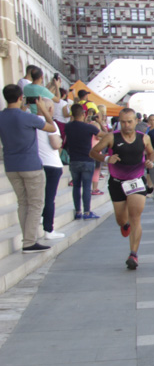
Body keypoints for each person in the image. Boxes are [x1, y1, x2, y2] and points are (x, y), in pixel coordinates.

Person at [90, 108, 154, 270]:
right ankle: (123, 224)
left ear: (136, 121)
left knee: (135, 217)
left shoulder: (144, 138)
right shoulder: (112, 137)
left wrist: (150, 161)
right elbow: (93, 152)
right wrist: (106, 158)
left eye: (130, 121)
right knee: (121, 219)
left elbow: (151, 153)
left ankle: (133, 254)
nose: (126, 125)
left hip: (136, 181)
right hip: (117, 182)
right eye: (123, 122)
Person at [0, 85, 57, 253]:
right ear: (20, 98)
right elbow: (51, 127)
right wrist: (42, 109)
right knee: (35, 203)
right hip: (30, 164)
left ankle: (27, 239)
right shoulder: (27, 117)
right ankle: (29, 241)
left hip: (11, 165)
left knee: (23, 202)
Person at [64, 104, 101, 220]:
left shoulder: (68, 127)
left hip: (74, 160)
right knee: (86, 187)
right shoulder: (89, 127)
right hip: (87, 159)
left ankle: (78, 211)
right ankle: (87, 212)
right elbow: (104, 135)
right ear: (84, 114)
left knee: (76, 186)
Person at [36, 105, 65, 240]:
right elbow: (55, 144)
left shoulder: (31, 121)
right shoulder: (49, 123)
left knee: (39, 196)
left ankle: (42, 217)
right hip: (52, 163)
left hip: (37, 164)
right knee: (49, 197)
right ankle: (49, 229)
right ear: (49, 108)